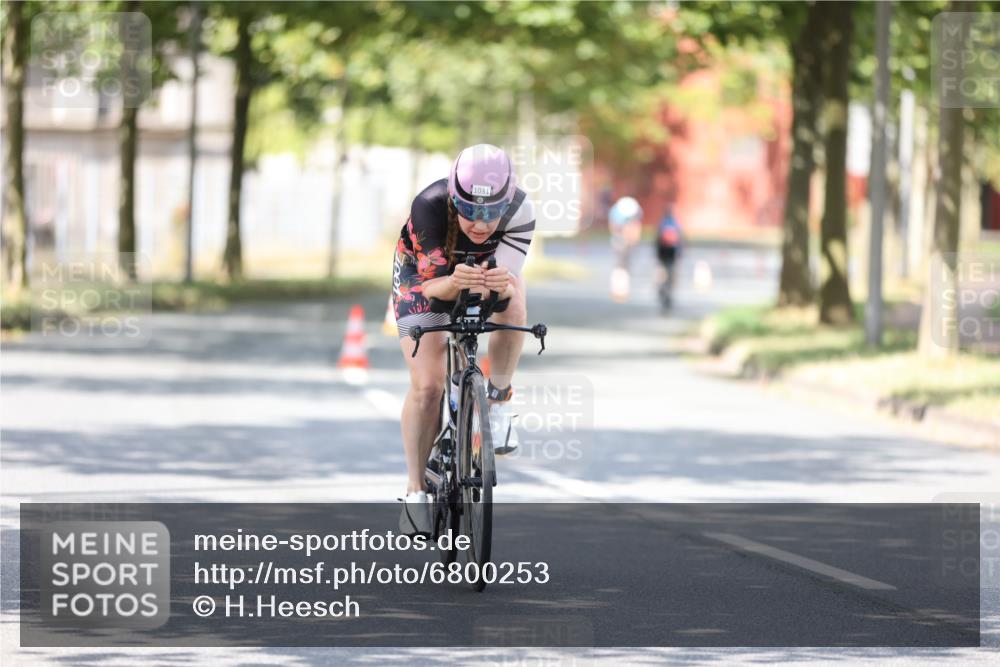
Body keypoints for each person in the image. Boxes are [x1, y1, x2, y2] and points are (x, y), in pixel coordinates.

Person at [391, 144, 535, 536]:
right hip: (424, 279)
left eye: (491, 213)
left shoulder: (521, 209)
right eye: (470, 210)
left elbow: (504, 287)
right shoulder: (430, 205)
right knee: (428, 386)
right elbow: (433, 287)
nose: (480, 223)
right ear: (454, 199)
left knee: (514, 298)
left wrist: (493, 289)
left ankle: (500, 398)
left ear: (506, 203)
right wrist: (455, 281)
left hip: (482, 275)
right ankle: (416, 490)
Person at [607, 195, 643, 300]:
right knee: (620, 265)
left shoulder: (630, 212)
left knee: (624, 265)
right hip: (620, 241)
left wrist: (633, 239)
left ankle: (621, 289)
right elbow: (614, 227)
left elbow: (635, 228)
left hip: (625, 241)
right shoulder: (618, 214)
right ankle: (618, 289)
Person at [655, 204, 683, 310]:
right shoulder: (676, 224)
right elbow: (680, 240)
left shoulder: (662, 223)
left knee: (662, 272)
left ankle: (662, 288)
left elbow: (657, 239)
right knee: (671, 273)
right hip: (672, 253)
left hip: (662, 253)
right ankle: (668, 291)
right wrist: (680, 253)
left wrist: (657, 253)